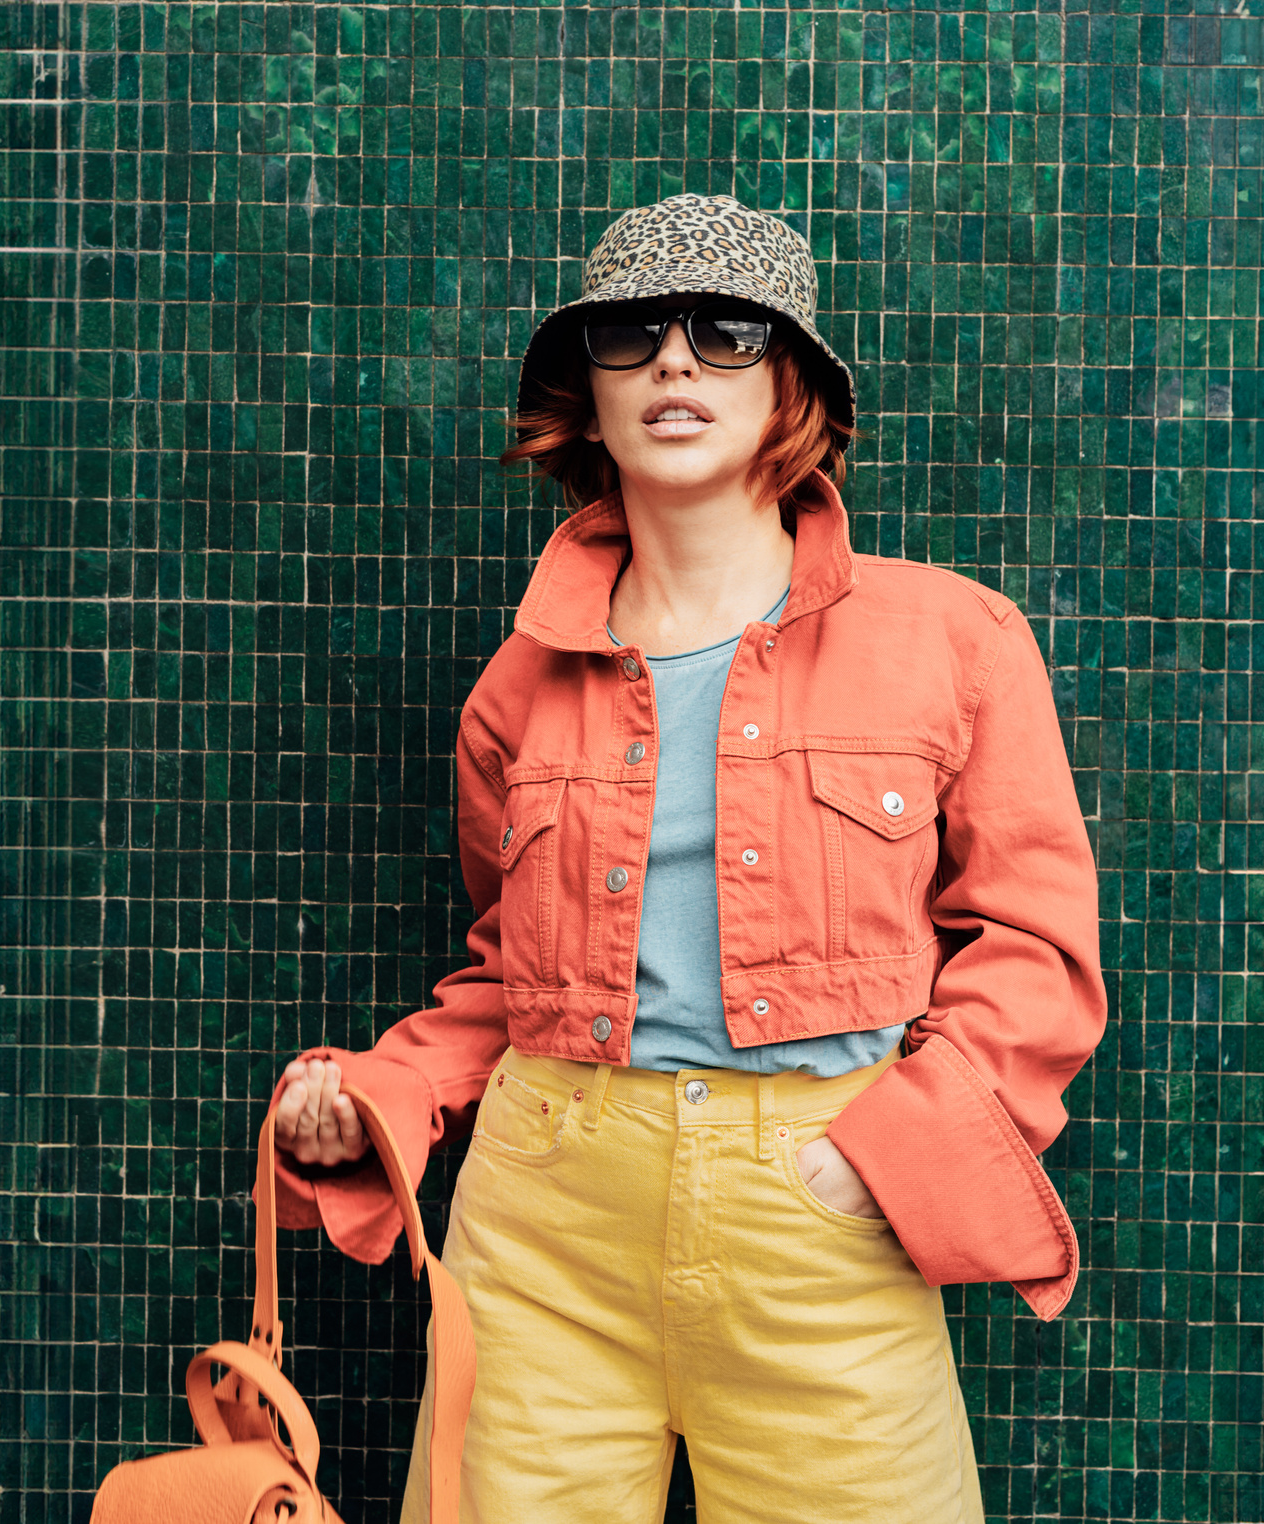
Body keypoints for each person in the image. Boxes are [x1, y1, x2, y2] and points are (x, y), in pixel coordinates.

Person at [267, 195, 1106, 1523]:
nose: (672, 362)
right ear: (583, 393)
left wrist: (885, 1154)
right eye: (628, 335)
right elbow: (507, 979)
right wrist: (374, 1096)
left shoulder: (954, 639)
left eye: (724, 334)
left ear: (789, 388)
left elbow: (1036, 952)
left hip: (823, 1215)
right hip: (546, 1224)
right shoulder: (516, 691)